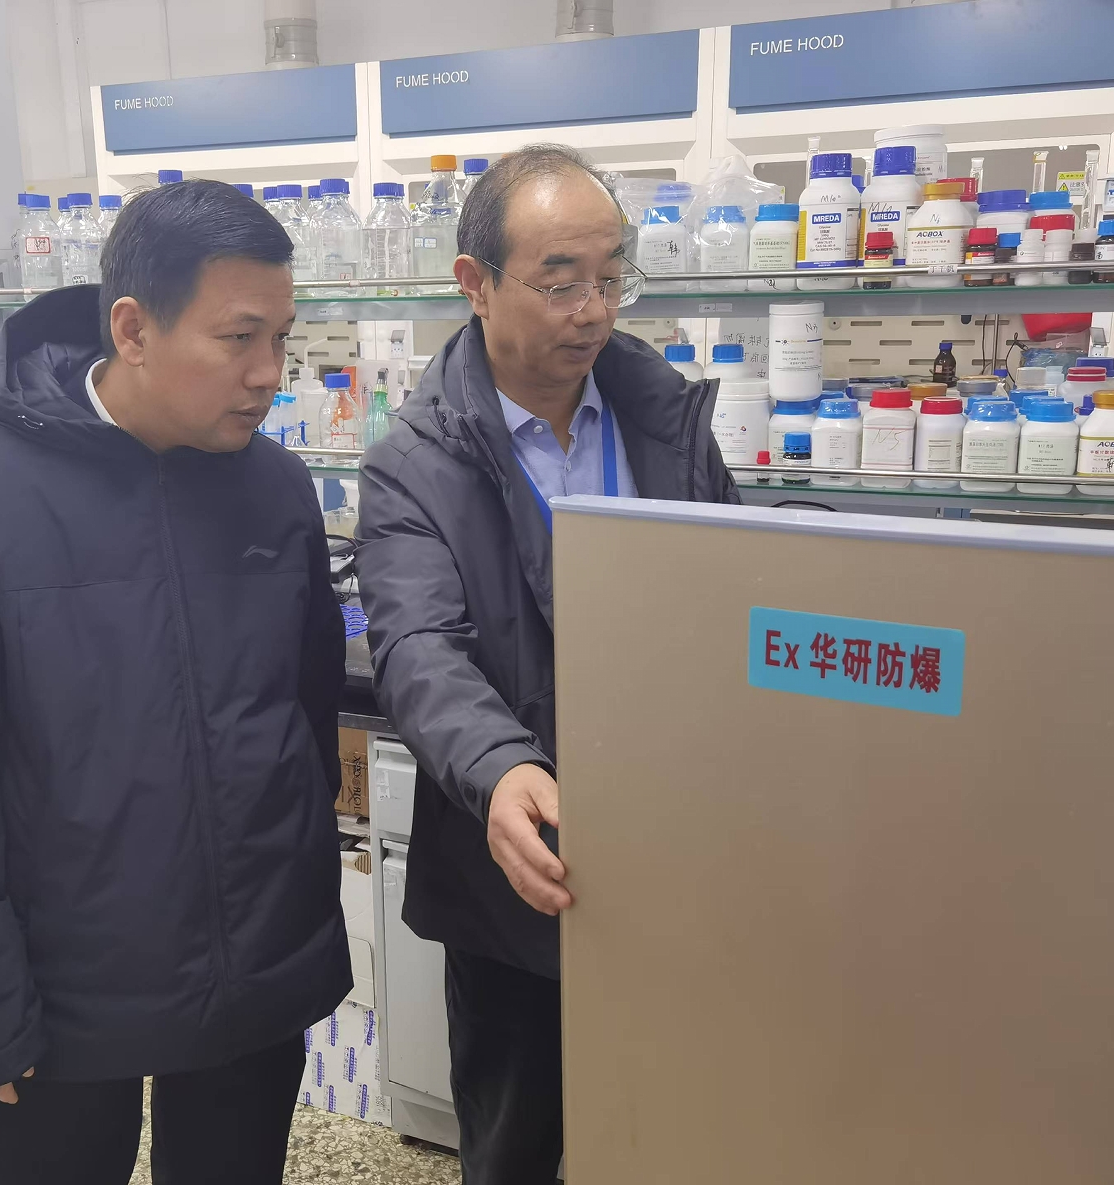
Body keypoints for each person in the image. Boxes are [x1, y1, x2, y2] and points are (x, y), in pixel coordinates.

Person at [0, 180, 349, 1185]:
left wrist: (296, 933)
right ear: (132, 329)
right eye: (238, 338)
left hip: (252, 968)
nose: (268, 374)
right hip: (62, 985)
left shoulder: (273, 487)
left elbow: (301, 718)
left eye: (281, 339)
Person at [355, 144, 740, 1183]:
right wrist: (499, 769)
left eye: (612, 277)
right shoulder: (415, 462)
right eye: (560, 280)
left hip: (675, 856)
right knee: (517, 1143)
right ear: (474, 283)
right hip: (516, 871)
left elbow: (728, 593)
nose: (594, 310)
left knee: (664, 1132)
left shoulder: (663, 419)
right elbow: (417, 647)